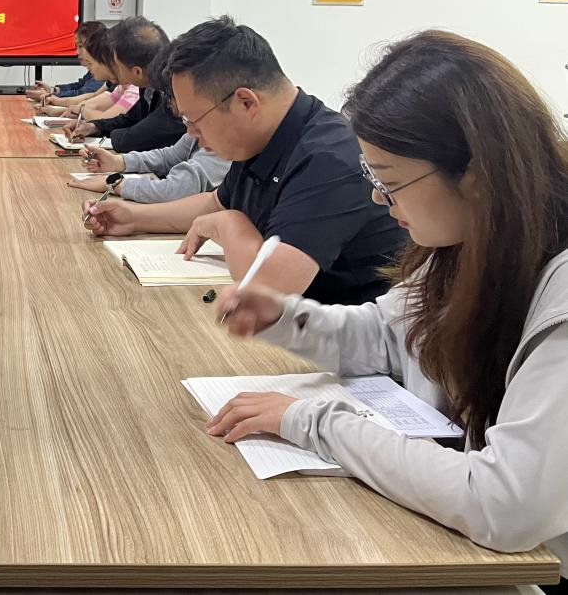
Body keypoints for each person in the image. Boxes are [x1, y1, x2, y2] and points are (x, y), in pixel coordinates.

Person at [209, 31, 568, 580]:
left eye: (391, 181)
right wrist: (284, 317)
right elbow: (387, 336)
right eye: (373, 177)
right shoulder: (469, 241)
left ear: (475, 173)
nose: (379, 197)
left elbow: (505, 505)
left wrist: (314, 422)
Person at [83, 16, 403, 305]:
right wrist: (134, 218)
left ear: (246, 103)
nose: (191, 133)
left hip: (338, 339)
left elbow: (268, 291)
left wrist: (228, 223)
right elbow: (216, 203)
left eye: (195, 120)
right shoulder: (262, 136)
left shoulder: (329, 158)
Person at [70, 49, 230, 202]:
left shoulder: (224, 137)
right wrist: (117, 162)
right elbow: (169, 156)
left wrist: (116, 184)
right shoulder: (198, 116)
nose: (189, 130)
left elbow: (177, 188)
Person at [64, 17, 184, 152]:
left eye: (118, 66)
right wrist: (95, 127)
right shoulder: (148, 86)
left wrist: (109, 136)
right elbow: (130, 119)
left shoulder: (173, 94)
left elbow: (135, 138)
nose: (115, 71)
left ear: (137, 72)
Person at [57, 27, 136, 122]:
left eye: (90, 63)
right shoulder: (122, 85)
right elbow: (94, 104)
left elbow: (107, 119)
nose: (88, 67)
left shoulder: (135, 88)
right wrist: (72, 110)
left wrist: (81, 111)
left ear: (105, 61)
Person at [26, 21, 107, 106]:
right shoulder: (97, 69)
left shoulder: (103, 73)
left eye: (80, 46)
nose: (77, 52)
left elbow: (83, 94)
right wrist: (52, 90)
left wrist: (50, 96)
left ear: (95, 46)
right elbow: (80, 86)